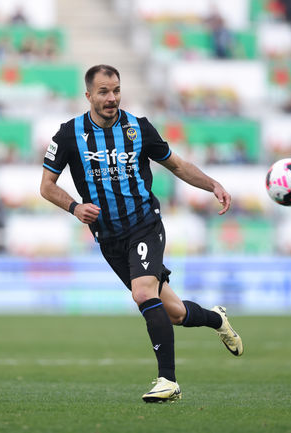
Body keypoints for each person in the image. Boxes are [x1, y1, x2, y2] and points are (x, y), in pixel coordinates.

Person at [39, 65, 243, 402]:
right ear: (88, 95)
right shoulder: (68, 135)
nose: (112, 98)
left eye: (116, 90)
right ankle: (216, 319)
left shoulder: (138, 128)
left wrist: (213, 185)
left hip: (144, 224)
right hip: (109, 237)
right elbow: (46, 186)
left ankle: (168, 381)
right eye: (104, 92)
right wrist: (74, 207)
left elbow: (177, 165)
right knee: (175, 313)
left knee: (143, 293)